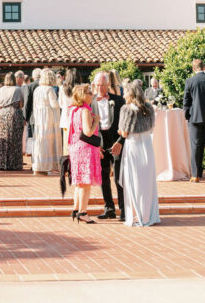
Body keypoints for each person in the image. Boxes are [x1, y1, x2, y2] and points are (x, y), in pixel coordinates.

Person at [114, 81, 159, 227]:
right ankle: (148, 214)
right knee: (147, 182)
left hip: (133, 146)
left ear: (131, 94)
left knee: (134, 181)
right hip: (147, 146)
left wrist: (120, 132)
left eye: (125, 92)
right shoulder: (149, 108)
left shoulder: (127, 109)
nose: (123, 94)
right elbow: (151, 128)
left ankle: (135, 214)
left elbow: (125, 132)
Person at [91, 72, 125, 219]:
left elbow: (125, 123)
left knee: (119, 176)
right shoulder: (91, 102)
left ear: (108, 85)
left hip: (115, 139)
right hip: (100, 140)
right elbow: (88, 126)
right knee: (103, 176)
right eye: (97, 85)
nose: (99, 88)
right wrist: (95, 144)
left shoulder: (118, 100)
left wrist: (121, 142)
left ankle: (124, 209)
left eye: (102, 85)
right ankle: (109, 208)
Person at [66, 83, 101, 224]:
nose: (91, 95)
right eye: (89, 93)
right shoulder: (85, 110)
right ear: (83, 95)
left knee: (79, 182)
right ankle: (83, 211)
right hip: (85, 148)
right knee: (85, 183)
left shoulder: (74, 110)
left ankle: (76, 209)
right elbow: (87, 131)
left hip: (75, 147)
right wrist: (96, 122)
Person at [0, 73, 25, 170]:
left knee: (2, 137)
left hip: (2, 114)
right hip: (14, 113)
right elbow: (21, 103)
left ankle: (0, 162)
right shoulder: (17, 89)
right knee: (14, 138)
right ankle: (13, 163)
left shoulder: (1, 89)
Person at [31, 68, 62, 175]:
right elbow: (54, 104)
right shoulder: (49, 89)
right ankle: (49, 166)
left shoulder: (37, 89)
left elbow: (34, 105)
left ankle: (38, 166)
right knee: (48, 142)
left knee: (40, 141)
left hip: (39, 118)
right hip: (48, 117)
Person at [58, 68, 80, 153]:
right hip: (79, 118)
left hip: (66, 119)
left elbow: (61, 104)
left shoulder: (62, 88)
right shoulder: (81, 88)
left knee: (67, 145)